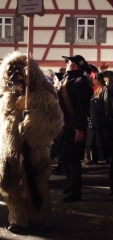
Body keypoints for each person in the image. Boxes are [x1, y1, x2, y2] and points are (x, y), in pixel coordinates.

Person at [0, 51, 64, 233]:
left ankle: (37, 218)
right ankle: (17, 218)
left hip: (33, 151)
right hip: (10, 150)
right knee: (11, 185)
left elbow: (55, 121)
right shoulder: (6, 99)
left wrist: (31, 121)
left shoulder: (43, 96)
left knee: (34, 184)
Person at [57, 55, 93, 202]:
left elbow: (82, 108)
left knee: (73, 160)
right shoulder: (68, 80)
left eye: (70, 62)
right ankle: (70, 183)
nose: (67, 63)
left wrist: (79, 128)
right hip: (66, 126)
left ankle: (76, 191)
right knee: (63, 157)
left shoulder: (81, 82)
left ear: (76, 66)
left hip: (75, 126)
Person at [85, 72, 109, 165]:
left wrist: (106, 114)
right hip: (92, 117)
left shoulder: (104, 89)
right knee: (92, 139)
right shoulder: (93, 90)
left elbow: (106, 103)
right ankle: (93, 158)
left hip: (100, 117)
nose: (93, 81)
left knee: (100, 138)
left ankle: (104, 157)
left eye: (94, 79)